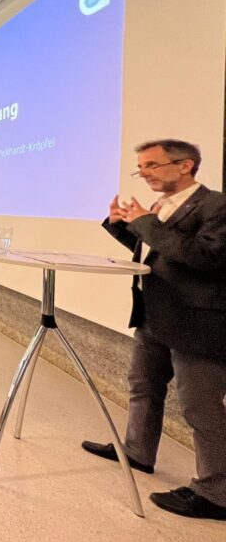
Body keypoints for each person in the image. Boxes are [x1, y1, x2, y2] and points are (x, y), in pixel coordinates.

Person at [81, 139, 226, 521]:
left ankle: (217, 492)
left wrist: (145, 222)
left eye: (151, 165)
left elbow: (207, 258)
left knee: (200, 407)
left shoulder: (217, 206)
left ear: (186, 165)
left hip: (197, 322)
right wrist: (121, 228)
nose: (144, 173)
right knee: (143, 386)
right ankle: (137, 453)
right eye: (140, 167)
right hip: (154, 315)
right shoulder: (161, 207)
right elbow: (159, 253)